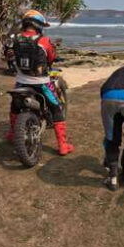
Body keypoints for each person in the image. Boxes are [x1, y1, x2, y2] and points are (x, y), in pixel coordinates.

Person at [7, 10, 74, 155]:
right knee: (56, 109)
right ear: (38, 25)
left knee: (14, 107)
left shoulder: (15, 39)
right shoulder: (44, 40)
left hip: (21, 82)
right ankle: (63, 145)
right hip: (41, 83)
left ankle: (13, 134)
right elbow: (51, 57)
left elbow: (9, 55)